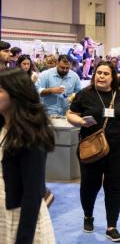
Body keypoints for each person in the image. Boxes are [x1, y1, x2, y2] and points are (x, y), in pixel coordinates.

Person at [66, 61, 120, 242]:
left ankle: (112, 226)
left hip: (118, 147)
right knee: (90, 185)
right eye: (99, 73)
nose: (101, 76)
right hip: (92, 148)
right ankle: (88, 215)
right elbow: (70, 114)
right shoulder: (84, 94)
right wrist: (80, 122)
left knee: (114, 186)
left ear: (113, 78)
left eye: (105, 73)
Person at [0, 69, 56, 244]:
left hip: (19, 216)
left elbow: (31, 195)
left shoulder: (30, 135)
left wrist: (23, 240)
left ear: (16, 94)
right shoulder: (3, 126)